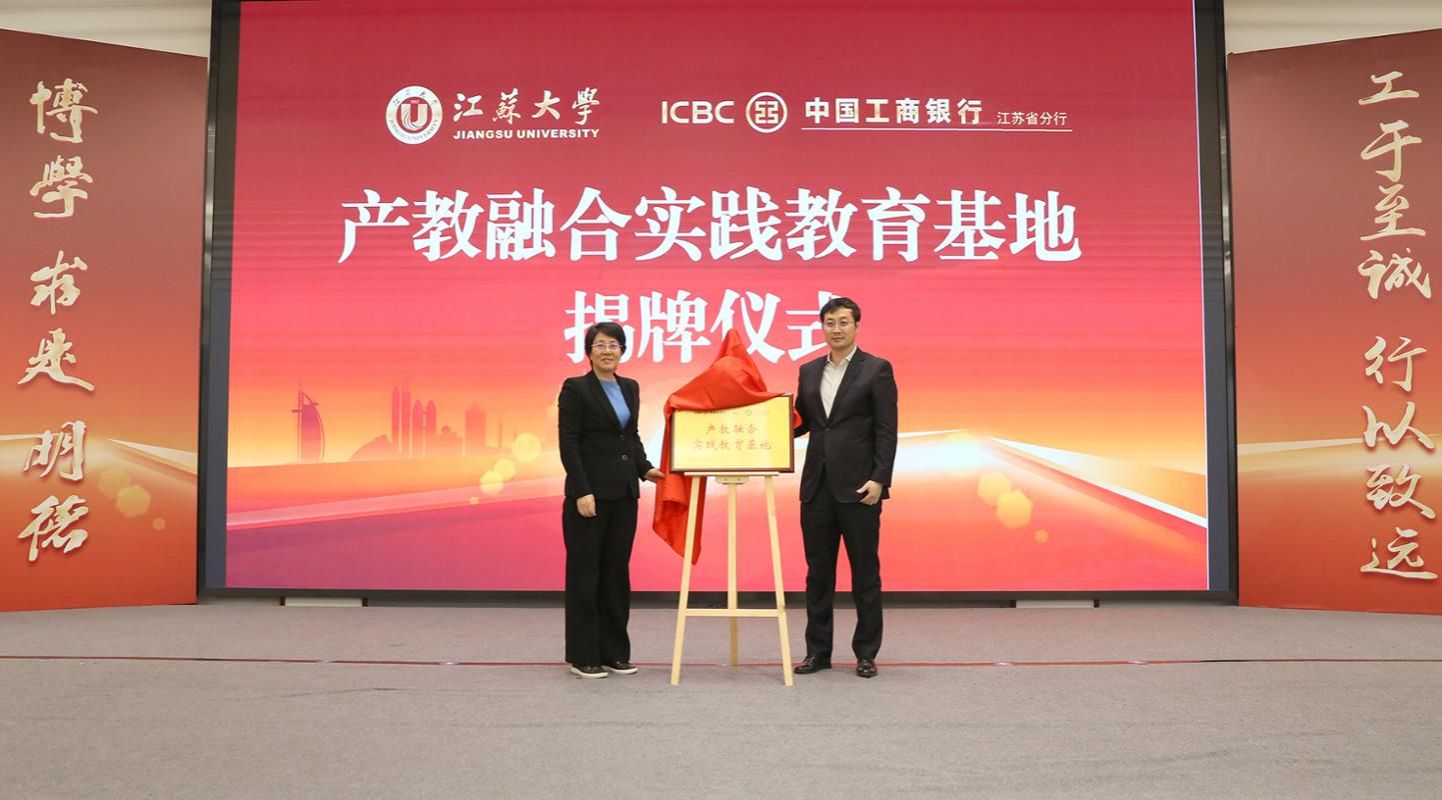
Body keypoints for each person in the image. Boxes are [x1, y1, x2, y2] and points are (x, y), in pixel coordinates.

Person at [792, 297, 898, 679]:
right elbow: (801, 423)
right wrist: (758, 422)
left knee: (865, 574)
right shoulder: (808, 371)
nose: (835, 329)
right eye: (829, 323)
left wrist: (879, 478)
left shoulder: (877, 369)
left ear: (856, 326)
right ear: (822, 327)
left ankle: (866, 653)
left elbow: (886, 429)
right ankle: (817, 652)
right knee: (817, 574)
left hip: (860, 488)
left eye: (843, 322)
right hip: (816, 488)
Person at [557, 322, 663, 678]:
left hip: (624, 494)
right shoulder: (575, 388)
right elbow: (569, 443)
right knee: (585, 575)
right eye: (600, 344)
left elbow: (630, 437)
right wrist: (582, 490)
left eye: (614, 345)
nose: (607, 351)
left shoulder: (629, 387)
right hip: (589, 496)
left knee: (616, 575)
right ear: (588, 351)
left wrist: (646, 469)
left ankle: (615, 652)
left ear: (623, 351)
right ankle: (583, 655)